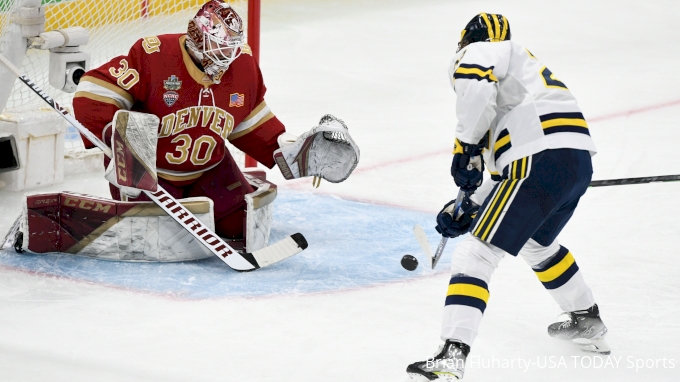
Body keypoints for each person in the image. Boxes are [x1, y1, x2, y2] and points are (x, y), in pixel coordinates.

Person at [406, 13, 609, 381]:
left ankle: (452, 354)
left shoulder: (482, 52)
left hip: (538, 158)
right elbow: (505, 176)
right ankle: (587, 318)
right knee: (537, 244)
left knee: (477, 252)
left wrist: (464, 147)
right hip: (574, 161)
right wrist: (465, 205)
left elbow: (474, 87)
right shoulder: (522, 80)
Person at [71, 1, 359, 256]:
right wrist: (114, 136)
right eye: (220, 48)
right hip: (152, 177)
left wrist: (292, 151)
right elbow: (94, 91)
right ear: (197, 38)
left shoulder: (242, 67)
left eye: (231, 49)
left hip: (210, 169)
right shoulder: (154, 55)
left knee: (240, 225)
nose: (226, 59)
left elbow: (250, 122)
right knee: (155, 238)